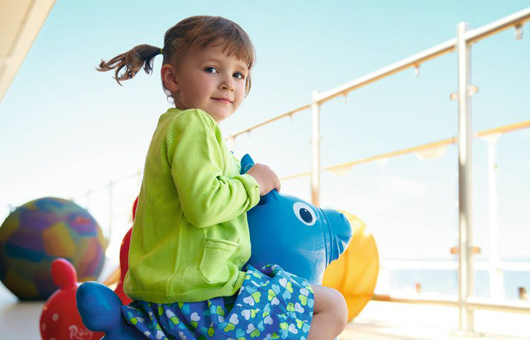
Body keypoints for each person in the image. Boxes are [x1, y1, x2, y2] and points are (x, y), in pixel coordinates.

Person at [98, 16, 347, 340]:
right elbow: (204, 205)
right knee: (332, 306)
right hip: (199, 296)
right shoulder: (194, 125)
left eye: (239, 73)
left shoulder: (176, 128)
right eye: (212, 69)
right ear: (171, 78)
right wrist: (254, 184)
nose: (228, 82)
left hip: (170, 296)